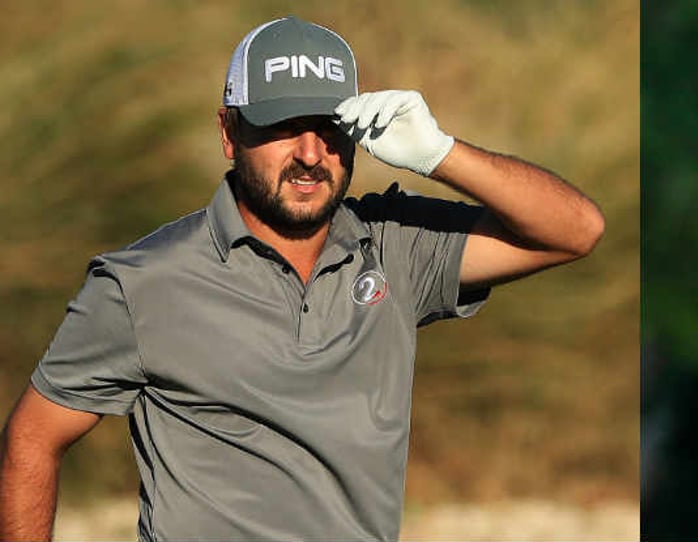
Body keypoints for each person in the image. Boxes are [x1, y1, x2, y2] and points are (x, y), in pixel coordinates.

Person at [0, 15, 604, 541]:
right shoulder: (142, 284)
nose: (311, 154)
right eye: (282, 126)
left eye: (330, 127)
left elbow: (575, 230)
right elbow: (32, 438)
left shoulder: (395, 245)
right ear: (229, 133)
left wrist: (440, 154)